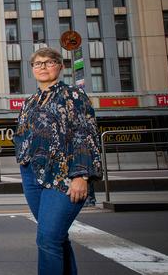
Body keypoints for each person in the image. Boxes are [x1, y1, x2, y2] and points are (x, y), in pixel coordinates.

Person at [13, 47, 102, 275]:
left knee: (48, 238)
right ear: (32, 69)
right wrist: (23, 159)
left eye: (49, 62)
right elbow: (22, 134)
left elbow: (85, 134)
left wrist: (81, 176)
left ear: (60, 66)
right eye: (38, 63)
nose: (43, 67)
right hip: (32, 177)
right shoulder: (29, 102)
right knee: (58, 238)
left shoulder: (73, 95)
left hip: (64, 176)